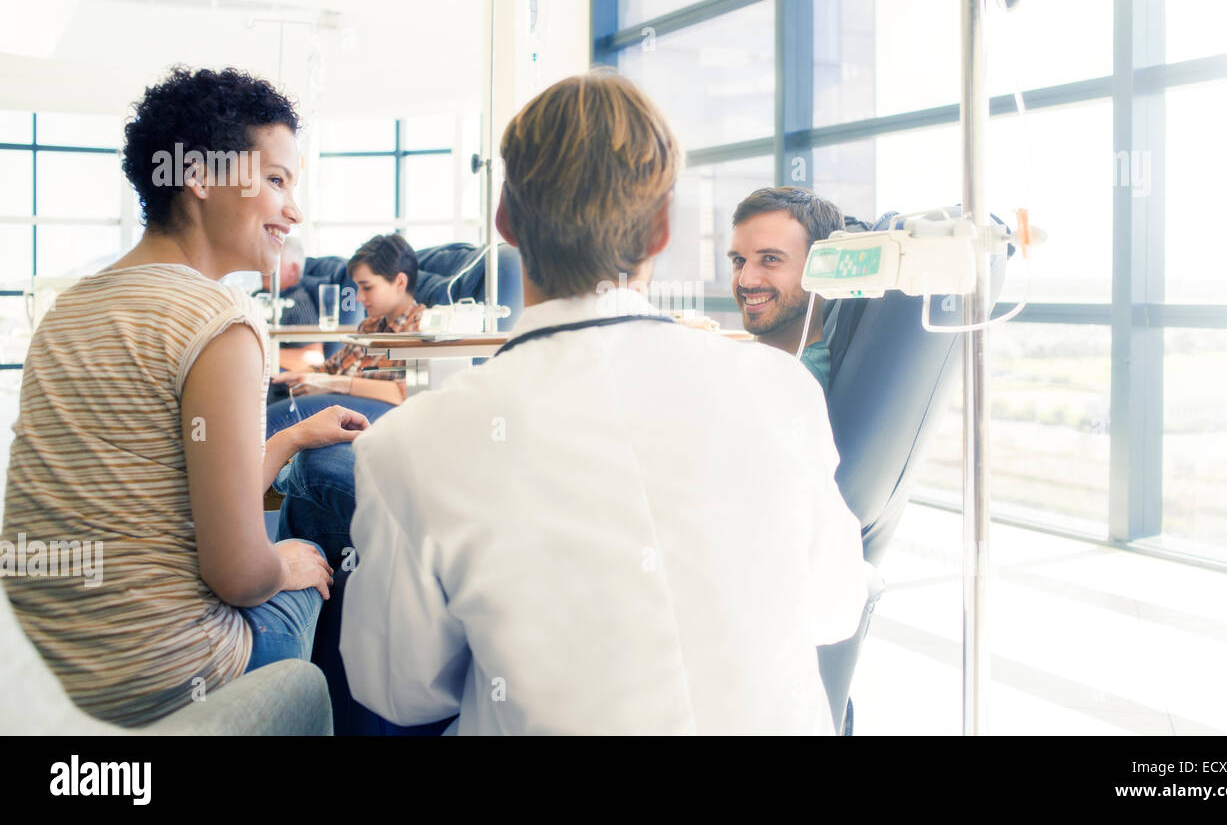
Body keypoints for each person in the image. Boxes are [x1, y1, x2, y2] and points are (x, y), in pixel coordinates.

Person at [337, 70, 872, 734]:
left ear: (505, 220)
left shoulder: (406, 446)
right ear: (661, 230)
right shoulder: (782, 390)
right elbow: (835, 611)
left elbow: (400, 692)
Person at [1, 66, 368, 727]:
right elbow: (236, 573)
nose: (294, 210)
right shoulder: (219, 320)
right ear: (197, 176)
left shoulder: (70, 309)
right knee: (310, 551)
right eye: (276, 179)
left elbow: (159, 502)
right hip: (163, 683)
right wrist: (282, 565)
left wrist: (285, 440)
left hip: (44, 675)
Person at [266, 233, 424, 436]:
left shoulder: (420, 328)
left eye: (367, 287)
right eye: (358, 288)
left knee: (277, 417)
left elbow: (409, 391)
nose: (358, 297)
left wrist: (334, 384)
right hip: (343, 398)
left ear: (400, 283)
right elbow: (332, 367)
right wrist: (300, 376)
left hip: (380, 410)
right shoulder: (370, 326)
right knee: (273, 393)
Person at [728, 186, 845, 395]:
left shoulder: (793, 382)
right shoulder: (767, 368)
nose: (746, 280)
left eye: (770, 259)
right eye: (739, 260)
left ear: (823, 268)